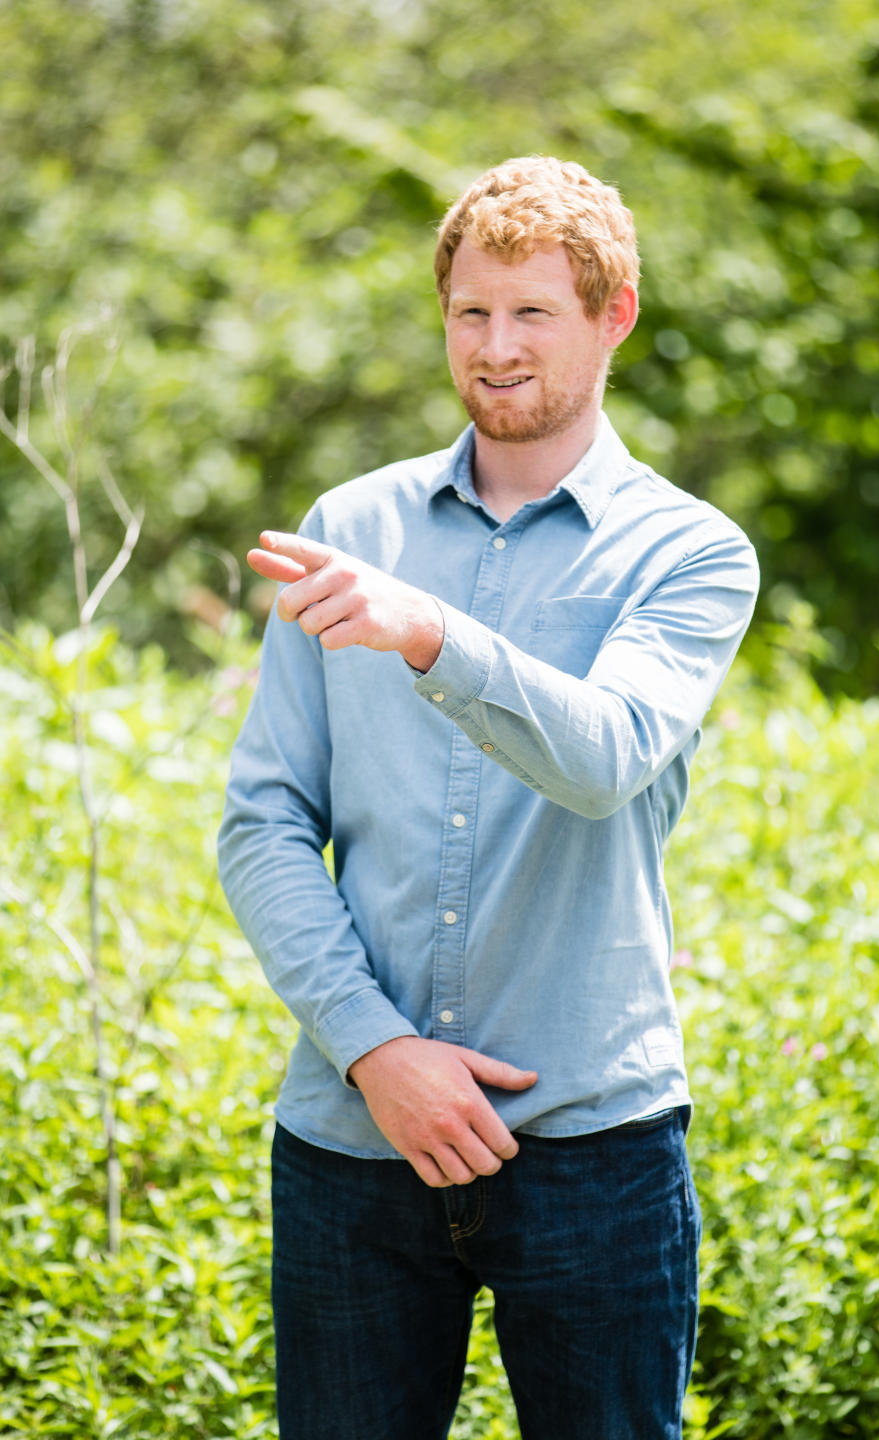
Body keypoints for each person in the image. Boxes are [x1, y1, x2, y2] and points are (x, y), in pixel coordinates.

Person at [218, 155, 759, 1440]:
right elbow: (264, 821)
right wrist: (374, 1046)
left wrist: (428, 635)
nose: (497, 346)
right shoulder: (349, 523)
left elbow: (607, 754)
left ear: (613, 314)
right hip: (356, 1143)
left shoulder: (690, 550)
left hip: (595, 1151)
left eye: (534, 313)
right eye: (472, 312)